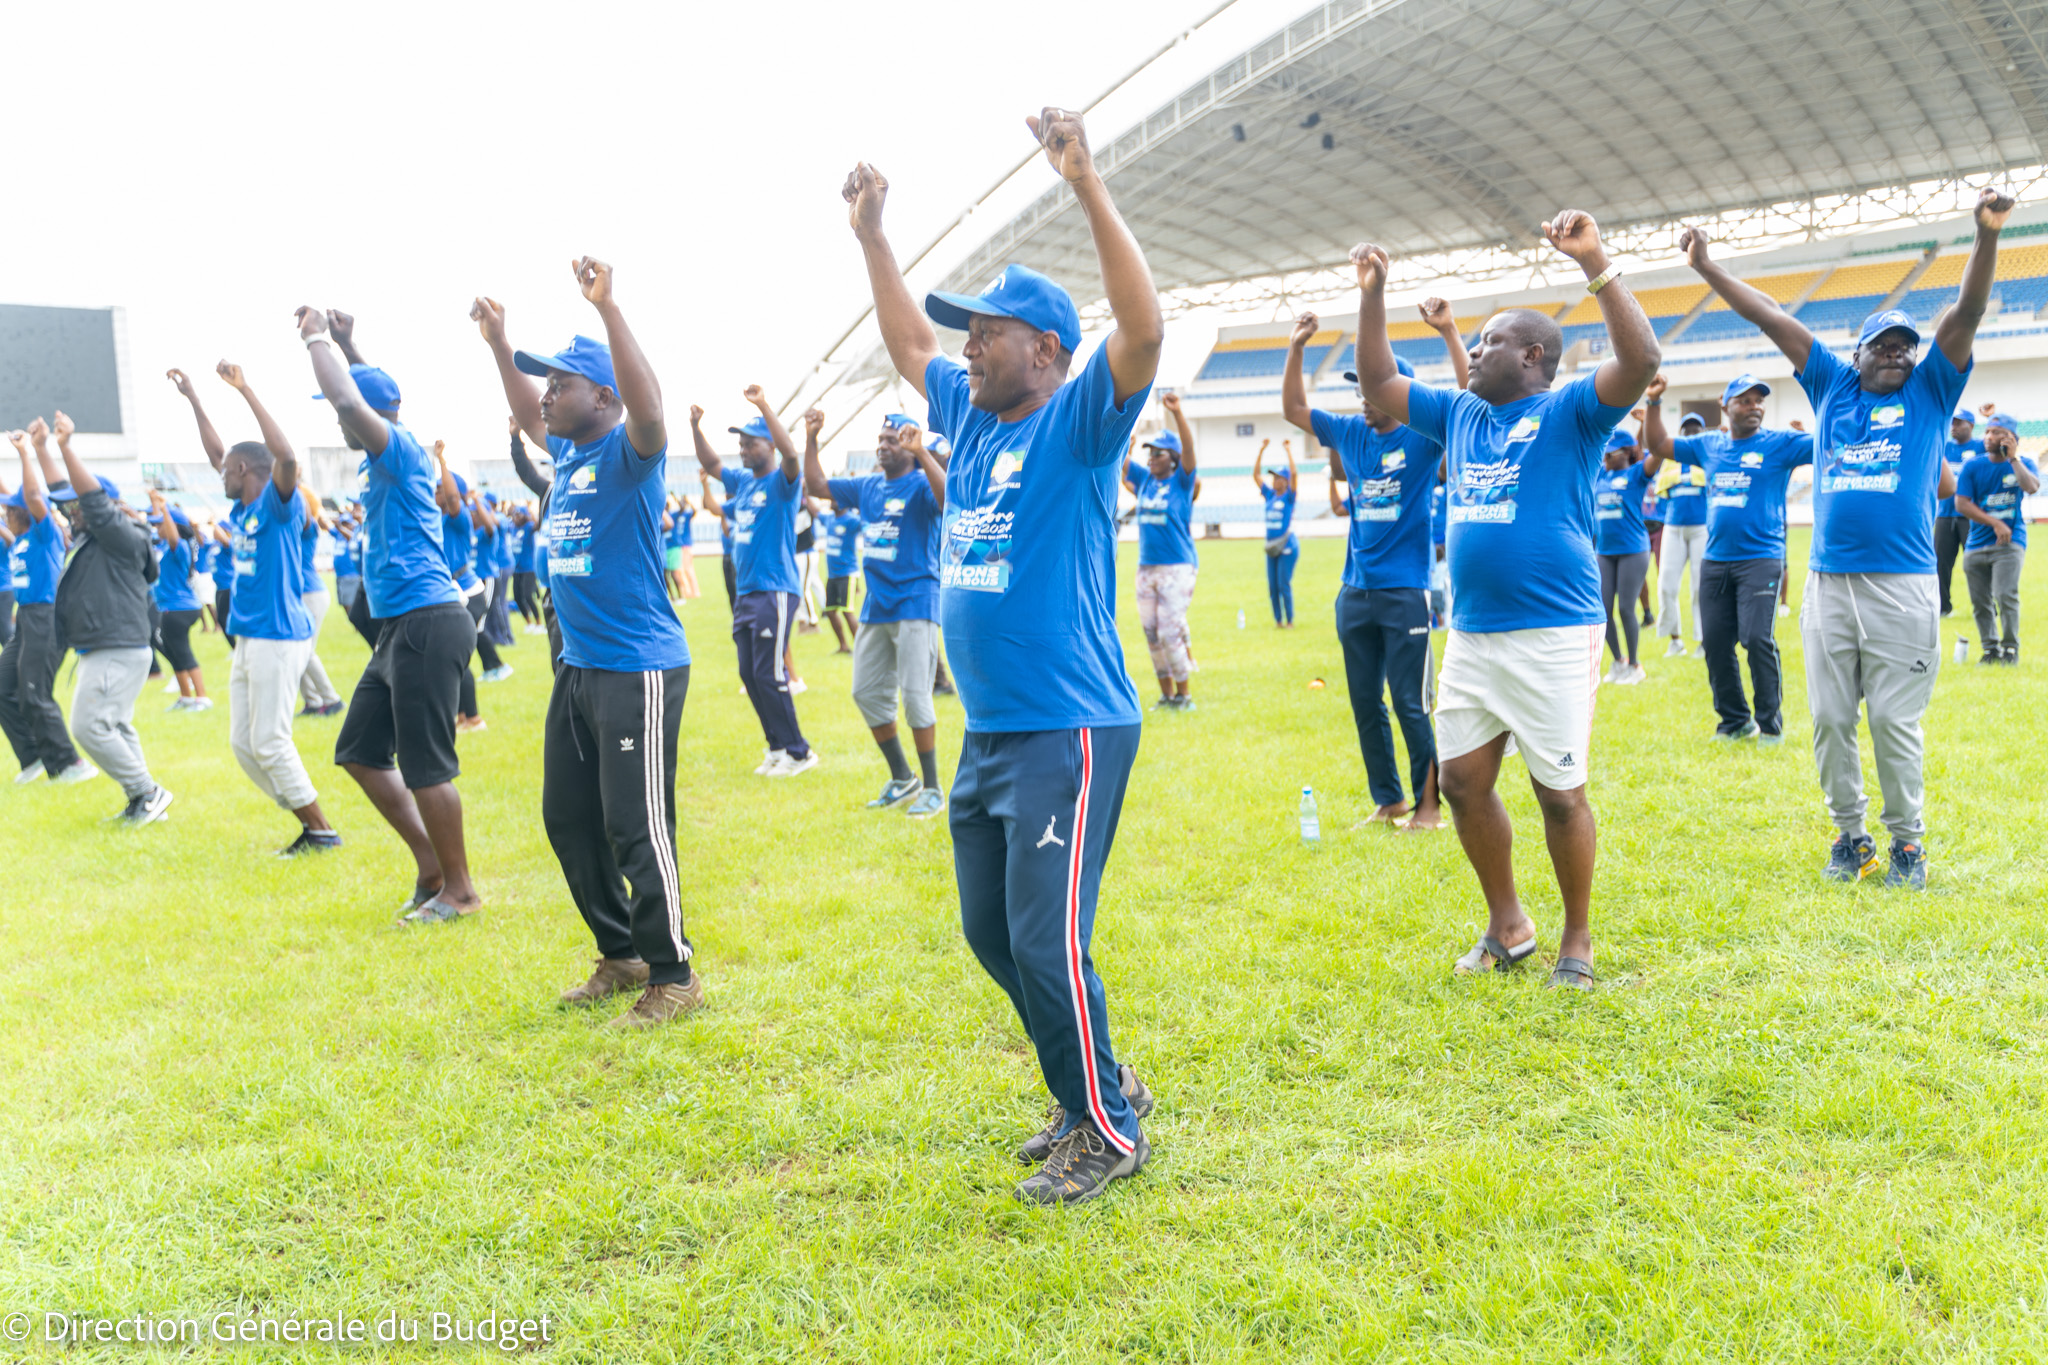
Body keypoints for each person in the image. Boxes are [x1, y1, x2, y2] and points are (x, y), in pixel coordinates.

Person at [844, 106, 1163, 1206]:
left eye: (989, 331)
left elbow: (1143, 332)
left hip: (1067, 725)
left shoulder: (1074, 422)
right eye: (968, 332)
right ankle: (1095, 1085)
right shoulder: (970, 416)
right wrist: (872, 238)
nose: (967, 345)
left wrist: (1085, 187)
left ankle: (1108, 1132)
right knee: (993, 934)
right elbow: (904, 343)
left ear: (1047, 353)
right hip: (993, 732)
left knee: (1045, 937)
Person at [1349, 210, 1660, 989]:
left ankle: (1577, 940)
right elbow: (1382, 380)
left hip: (1556, 631)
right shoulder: (1459, 413)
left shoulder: (1571, 412)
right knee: (1460, 782)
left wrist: (1596, 263)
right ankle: (1508, 923)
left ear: (1532, 356)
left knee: (1560, 793)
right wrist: (1374, 295)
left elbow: (1642, 356)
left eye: (1485, 342)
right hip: (1475, 633)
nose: (1472, 353)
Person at [1679, 185, 2015, 889]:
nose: (1896, 354)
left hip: (1902, 588)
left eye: (1905, 347)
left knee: (1893, 722)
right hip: (1831, 585)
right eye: (1883, 346)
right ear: (1856, 353)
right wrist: (1709, 270)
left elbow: (1969, 311)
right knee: (1832, 720)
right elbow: (1772, 316)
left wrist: (1984, 236)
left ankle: (1908, 846)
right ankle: (1851, 837)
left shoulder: (1928, 394)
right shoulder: (1831, 387)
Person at [472, 265, 700, 1026]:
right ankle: (621, 949)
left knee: (636, 822)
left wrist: (608, 309)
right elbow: (523, 407)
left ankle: (673, 971)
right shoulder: (567, 459)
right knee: (567, 815)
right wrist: (502, 344)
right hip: (579, 667)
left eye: (560, 383)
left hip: (636, 665)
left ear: (603, 398)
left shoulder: (627, 456)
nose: (544, 395)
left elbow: (651, 405)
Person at [303, 306, 481, 923]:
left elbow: (356, 406)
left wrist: (317, 338)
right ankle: (432, 869)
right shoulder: (389, 450)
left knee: (426, 764)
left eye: (341, 411)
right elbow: (365, 397)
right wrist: (352, 346)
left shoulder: (398, 447)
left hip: (430, 618)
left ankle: (459, 890)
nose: (338, 419)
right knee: (357, 748)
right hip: (400, 626)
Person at [1285, 298, 1466, 829]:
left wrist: (1450, 334)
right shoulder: (1352, 433)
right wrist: (1296, 347)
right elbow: (1295, 411)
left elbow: (1467, 398)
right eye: (1358, 388)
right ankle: (1389, 800)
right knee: (1367, 703)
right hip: (1355, 592)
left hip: (1405, 589)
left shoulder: (1422, 435)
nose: (1362, 397)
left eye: (1371, 387)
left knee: (1410, 703)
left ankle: (1430, 805)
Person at [187, 362, 341, 853]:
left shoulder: (279, 505)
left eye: (227, 470)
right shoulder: (243, 509)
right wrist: (193, 396)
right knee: (243, 745)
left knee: (270, 741)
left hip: (279, 634)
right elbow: (219, 453)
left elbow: (285, 456)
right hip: (251, 636)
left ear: (243, 471)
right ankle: (306, 820)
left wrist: (246, 390)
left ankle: (321, 830)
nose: (220, 475)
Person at [1643, 373, 1811, 741]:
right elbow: (1656, 442)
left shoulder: (1780, 443)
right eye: (1745, 400)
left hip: (1761, 558)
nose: (1754, 407)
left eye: (1759, 401)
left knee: (1756, 639)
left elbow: (1827, 444)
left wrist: (1807, 426)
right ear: (1725, 404)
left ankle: (1770, 725)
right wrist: (1654, 402)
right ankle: (1735, 721)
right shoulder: (1709, 445)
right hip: (1716, 560)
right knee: (1716, 643)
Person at [806, 408, 947, 818]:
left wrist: (923, 452)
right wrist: (813, 435)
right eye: (881, 440)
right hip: (876, 606)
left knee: (917, 698)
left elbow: (948, 498)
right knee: (866, 692)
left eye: (892, 440)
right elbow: (816, 485)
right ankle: (903, 778)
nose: (883, 446)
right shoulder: (867, 487)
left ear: (907, 445)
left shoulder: (922, 484)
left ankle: (934, 788)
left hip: (916, 602)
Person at [44, 411, 169, 823]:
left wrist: (66, 447)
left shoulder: (120, 534)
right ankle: (144, 803)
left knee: (88, 726)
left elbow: (92, 503)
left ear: (106, 505)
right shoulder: (94, 536)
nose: (72, 512)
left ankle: (148, 793)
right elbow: (60, 492)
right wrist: (42, 449)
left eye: (80, 506)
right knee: (115, 724)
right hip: (108, 645)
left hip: (117, 646)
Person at [691, 390, 818, 776]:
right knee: (749, 674)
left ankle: (800, 753)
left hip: (774, 590)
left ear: (770, 446)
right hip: (747, 593)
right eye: (741, 443)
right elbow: (712, 463)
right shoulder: (742, 483)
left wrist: (763, 406)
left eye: (750, 442)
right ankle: (777, 747)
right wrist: (694, 427)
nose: (743, 449)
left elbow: (793, 457)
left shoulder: (783, 483)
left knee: (769, 673)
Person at [0, 423, 91, 785]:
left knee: (35, 692)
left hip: (46, 617)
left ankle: (70, 764)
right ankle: (34, 758)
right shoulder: (19, 538)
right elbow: (16, 495)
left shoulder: (44, 533)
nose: (5, 513)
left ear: (24, 513)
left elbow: (34, 496)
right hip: (26, 619)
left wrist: (25, 453)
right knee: (4, 686)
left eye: (10, 510)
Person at [1124, 391, 1198, 709]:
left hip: (1177, 568)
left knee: (1169, 632)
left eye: (1159, 453)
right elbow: (1120, 462)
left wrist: (1177, 414)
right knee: (1152, 634)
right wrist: (1124, 440)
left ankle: (1185, 695)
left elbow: (1191, 451)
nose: (1152, 457)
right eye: (1150, 452)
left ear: (1174, 458)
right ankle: (1167, 695)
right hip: (1146, 568)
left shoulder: (1182, 481)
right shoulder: (1144, 481)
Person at [1955, 412, 2038, 663]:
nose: (1989, 437)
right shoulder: (1973, 465)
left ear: (2012, 438)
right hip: (1976, 544)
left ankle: (2010, 649)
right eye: (1988, 432)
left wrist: (2013, 458)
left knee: (2004, 595)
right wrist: (1994, 522)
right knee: (1980, 602)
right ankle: (1990, 649)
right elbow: (1962, 504)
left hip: (2009, 544)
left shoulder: (2023, 464)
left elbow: (2032, 487)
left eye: (1997, 433)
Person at [1593, 429, 1654, 684]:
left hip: (1633, 549)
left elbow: (1657, 453)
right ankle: (1618, 661)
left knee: (1626, 608)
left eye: (1611, 452)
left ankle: (1635, 665)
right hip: (1604, 551)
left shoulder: (1636, 474)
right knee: (1603, 610)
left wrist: (1646, 424)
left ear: (1627, 453)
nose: (1605, 456)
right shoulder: (1601, 475)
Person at [146, 490, 210, 712]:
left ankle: (202, 698)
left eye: (162, 524)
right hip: (170, 607)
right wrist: (155, 503)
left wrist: (164, 509)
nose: (158, 528)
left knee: (182, 652)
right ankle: (186, 698)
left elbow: (171, 533)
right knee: (173, 653)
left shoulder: (179, 546)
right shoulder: (164, 547)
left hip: (180, 608)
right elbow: (159, 526)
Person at [1658, 410, 1710, 656]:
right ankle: (1675, 640)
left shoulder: (1710, 455)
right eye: (1686, 429)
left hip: (1702, 527)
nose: (1691, 433)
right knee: (1666, 585)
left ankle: (1703, 641)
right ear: (1680, 433)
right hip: (1674, 526)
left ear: (1702, 431)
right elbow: (1661, 490)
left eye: (1695, 428)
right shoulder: (1670, 459)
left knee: (1700, 587)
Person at [292, 490, 346, 718]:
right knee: (297, 650)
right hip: (300, 593)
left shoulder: (309, 525)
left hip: (311, 593)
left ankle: (332, 699)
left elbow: (305, 510)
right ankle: (313, 701)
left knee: (304, 649)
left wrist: (293, 488)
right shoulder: (291, 528)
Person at [1937, 408, 1983, 619]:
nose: (1954, 427)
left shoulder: (1980, 447)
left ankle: (1985, 607)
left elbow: (2004, 440)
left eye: (1959, 423)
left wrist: (1991, 416)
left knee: (1976, 563)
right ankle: (1942, 608)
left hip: (1971, 516)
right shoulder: (1944, 447)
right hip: (1945, 515)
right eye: (1952, 423)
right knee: (1941, 564)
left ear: (1971, 426)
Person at [817, 465, 864, 655]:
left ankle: (862, 649)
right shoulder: (829, 520)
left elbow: (867, 519)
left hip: (847, 573)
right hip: (833, 574)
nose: (831, 500)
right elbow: (813, 511)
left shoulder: (852, 521)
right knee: (830, 610)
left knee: (847, 611)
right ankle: (844, 646)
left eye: (835, 498)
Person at [1254, 439, 1299, 626]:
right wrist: (1261, 450)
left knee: (1283, 584)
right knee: (1272, 587)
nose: (1275, 480)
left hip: (1287, 545)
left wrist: (1288, 450)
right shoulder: (1270, 495)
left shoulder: (1289, 496)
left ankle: (1289, 621)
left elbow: (1295, 473)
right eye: (1274, 477)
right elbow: (1256, 475)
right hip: (1271, 546)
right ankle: (1278, 621)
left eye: (1279, 477)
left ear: (1286, 481)